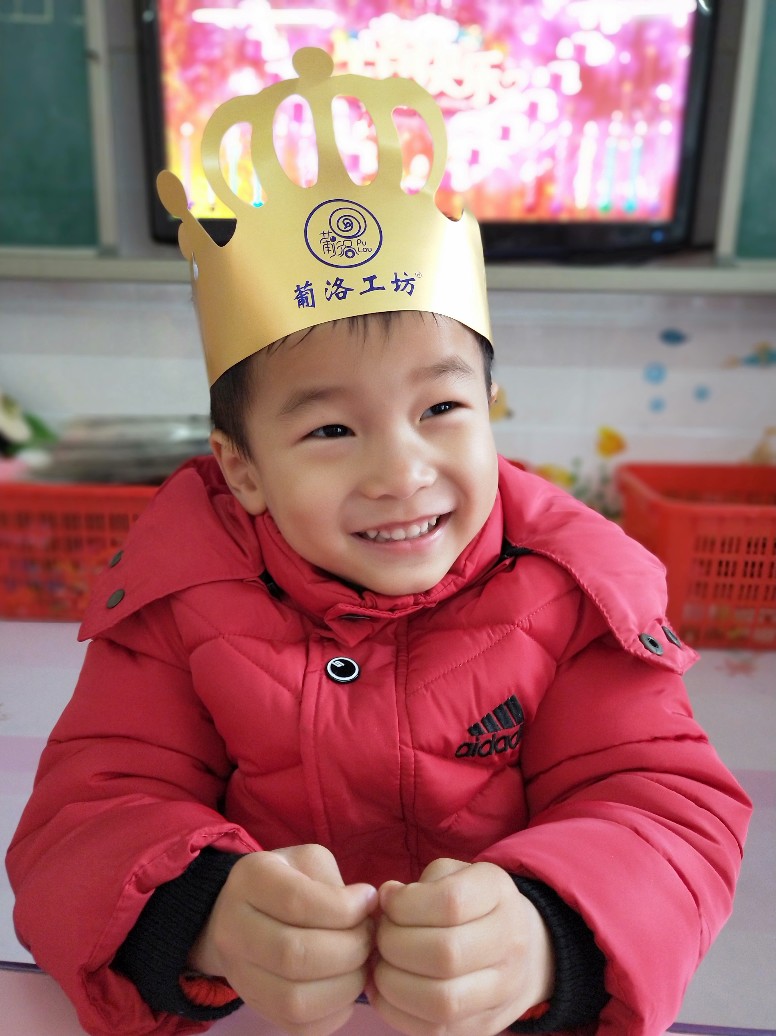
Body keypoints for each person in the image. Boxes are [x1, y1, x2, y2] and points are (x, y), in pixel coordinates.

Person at [7, 49, 751, 1036]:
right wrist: (204, 918)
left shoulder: (574, 593)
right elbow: (81, 820)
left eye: (441, 408)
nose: (401, 472)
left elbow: (665, 810)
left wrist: (546, 939)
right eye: (330, 429)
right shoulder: (174, 605)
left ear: (490, 408)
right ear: (242, 469)